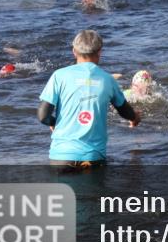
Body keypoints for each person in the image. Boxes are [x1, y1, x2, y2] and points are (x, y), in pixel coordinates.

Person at [37, 30, 140, 168]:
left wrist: (55, 123)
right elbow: (124, 111)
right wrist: (134, 118)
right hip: (93, 157)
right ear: (99, 52)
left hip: (61, 157)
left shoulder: (59, 76)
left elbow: (43, 116)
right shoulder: (108, 80)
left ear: (74, 51)